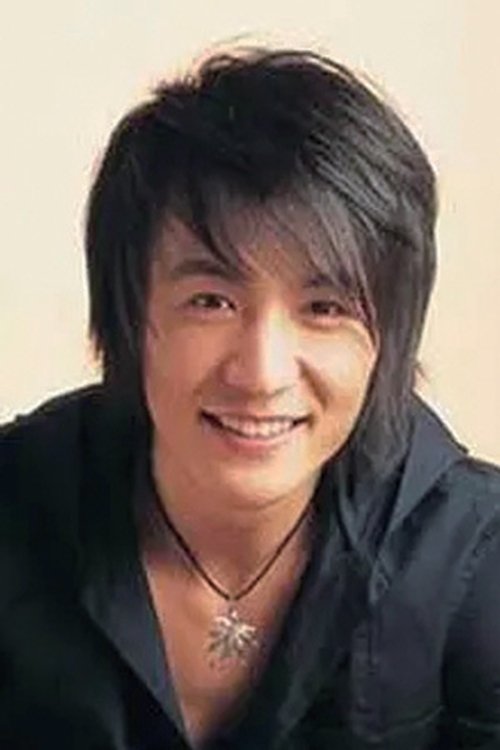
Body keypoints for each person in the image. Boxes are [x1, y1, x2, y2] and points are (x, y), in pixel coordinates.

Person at [1, 47, 499, 750]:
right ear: (128, 316)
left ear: (387, 338)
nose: (262, 374)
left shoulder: (472, 554)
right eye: (211, 300)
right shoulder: (18, 505)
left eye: (325, 308)